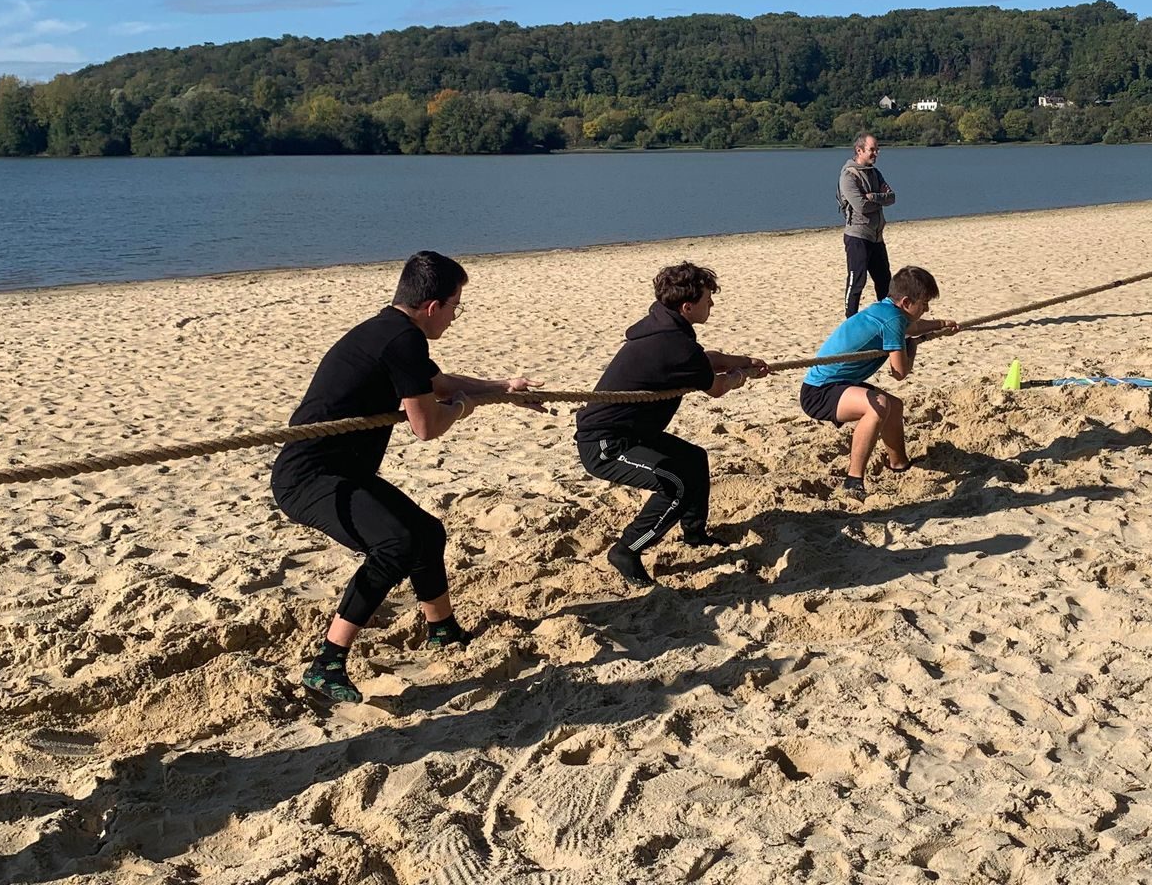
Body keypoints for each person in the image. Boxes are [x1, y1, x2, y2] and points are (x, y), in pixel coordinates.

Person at [271, 251, 542, 704]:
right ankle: (327, 663)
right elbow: (428, 426)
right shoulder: (403, 341)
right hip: (310, 478)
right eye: (456, 306)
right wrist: (463, 408)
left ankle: (442, 630)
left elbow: (437, 383)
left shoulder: (389, 330)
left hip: (341, 470)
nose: (456, 317)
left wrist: (501, 388)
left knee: (426, 533)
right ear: (433, 307)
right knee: (395, 544)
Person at [575, 262, 770, 587]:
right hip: (606, 445)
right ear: (687, 306)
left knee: (694, 460)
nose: (712, 305)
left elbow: (704, 359)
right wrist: (741, 376)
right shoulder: (677, 346)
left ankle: (695, 535)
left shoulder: (662, 328)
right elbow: (716, 387)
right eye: (708, 299)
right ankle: (626, 550)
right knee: (676, 484)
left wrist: (742, 361)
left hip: (634, 434)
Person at [798, 267, 957, 499]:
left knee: (895, 406)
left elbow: (911, 327)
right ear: (905, 302)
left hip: (841, 384)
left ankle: (899, 464)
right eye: (924, 304)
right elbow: (900, 372)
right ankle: (853, 480)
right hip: (820, 392)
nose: (927, 309)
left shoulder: (886, 309)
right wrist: (911, 348)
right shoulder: (892, 321)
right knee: (879, 405)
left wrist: (940, 324)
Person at [839, 133, 897, 318]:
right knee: (857, 281)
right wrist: (877, 199)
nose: (876, 153)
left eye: (877, 149)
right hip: (858, 236)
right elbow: (861, 206)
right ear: (859, 150)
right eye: (872, 149)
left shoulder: (875, 173)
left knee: (885, 282)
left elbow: (892, 197)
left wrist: (873, 197)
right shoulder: (848, 176)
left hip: (876, 236)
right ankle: (850, 321)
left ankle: (887, 319)